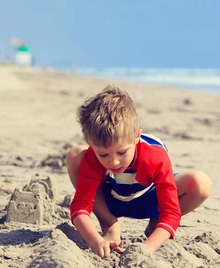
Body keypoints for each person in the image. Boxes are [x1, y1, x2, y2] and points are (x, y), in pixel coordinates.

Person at [65, 85, 211, 258]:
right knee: (75, 155)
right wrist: (94, 240)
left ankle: (155, 226)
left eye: (122, 152)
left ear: (137, 137)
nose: (114, 161)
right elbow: (80, 206)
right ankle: (109, 225)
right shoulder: (92, 157)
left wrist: (145, 249)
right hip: (110, 200)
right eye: (103, 154)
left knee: (200, 183)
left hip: (149, 199)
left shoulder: (154, 157)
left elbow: (171, 212)